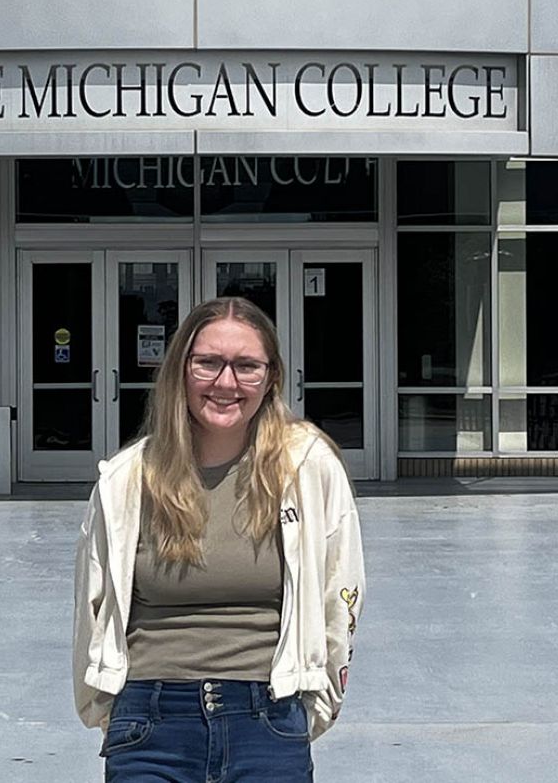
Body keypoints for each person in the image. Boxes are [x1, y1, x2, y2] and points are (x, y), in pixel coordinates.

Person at [73, 296, 366, 782]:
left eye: (246, 366)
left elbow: (342, 593)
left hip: (268, 719)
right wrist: (107, 707)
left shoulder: (308, 468)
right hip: (150, 722)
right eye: (208, 363)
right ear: (180, 371)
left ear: (271, 377)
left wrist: (318, 701)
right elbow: (92, 604)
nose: (226, 383)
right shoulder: (128, 478)